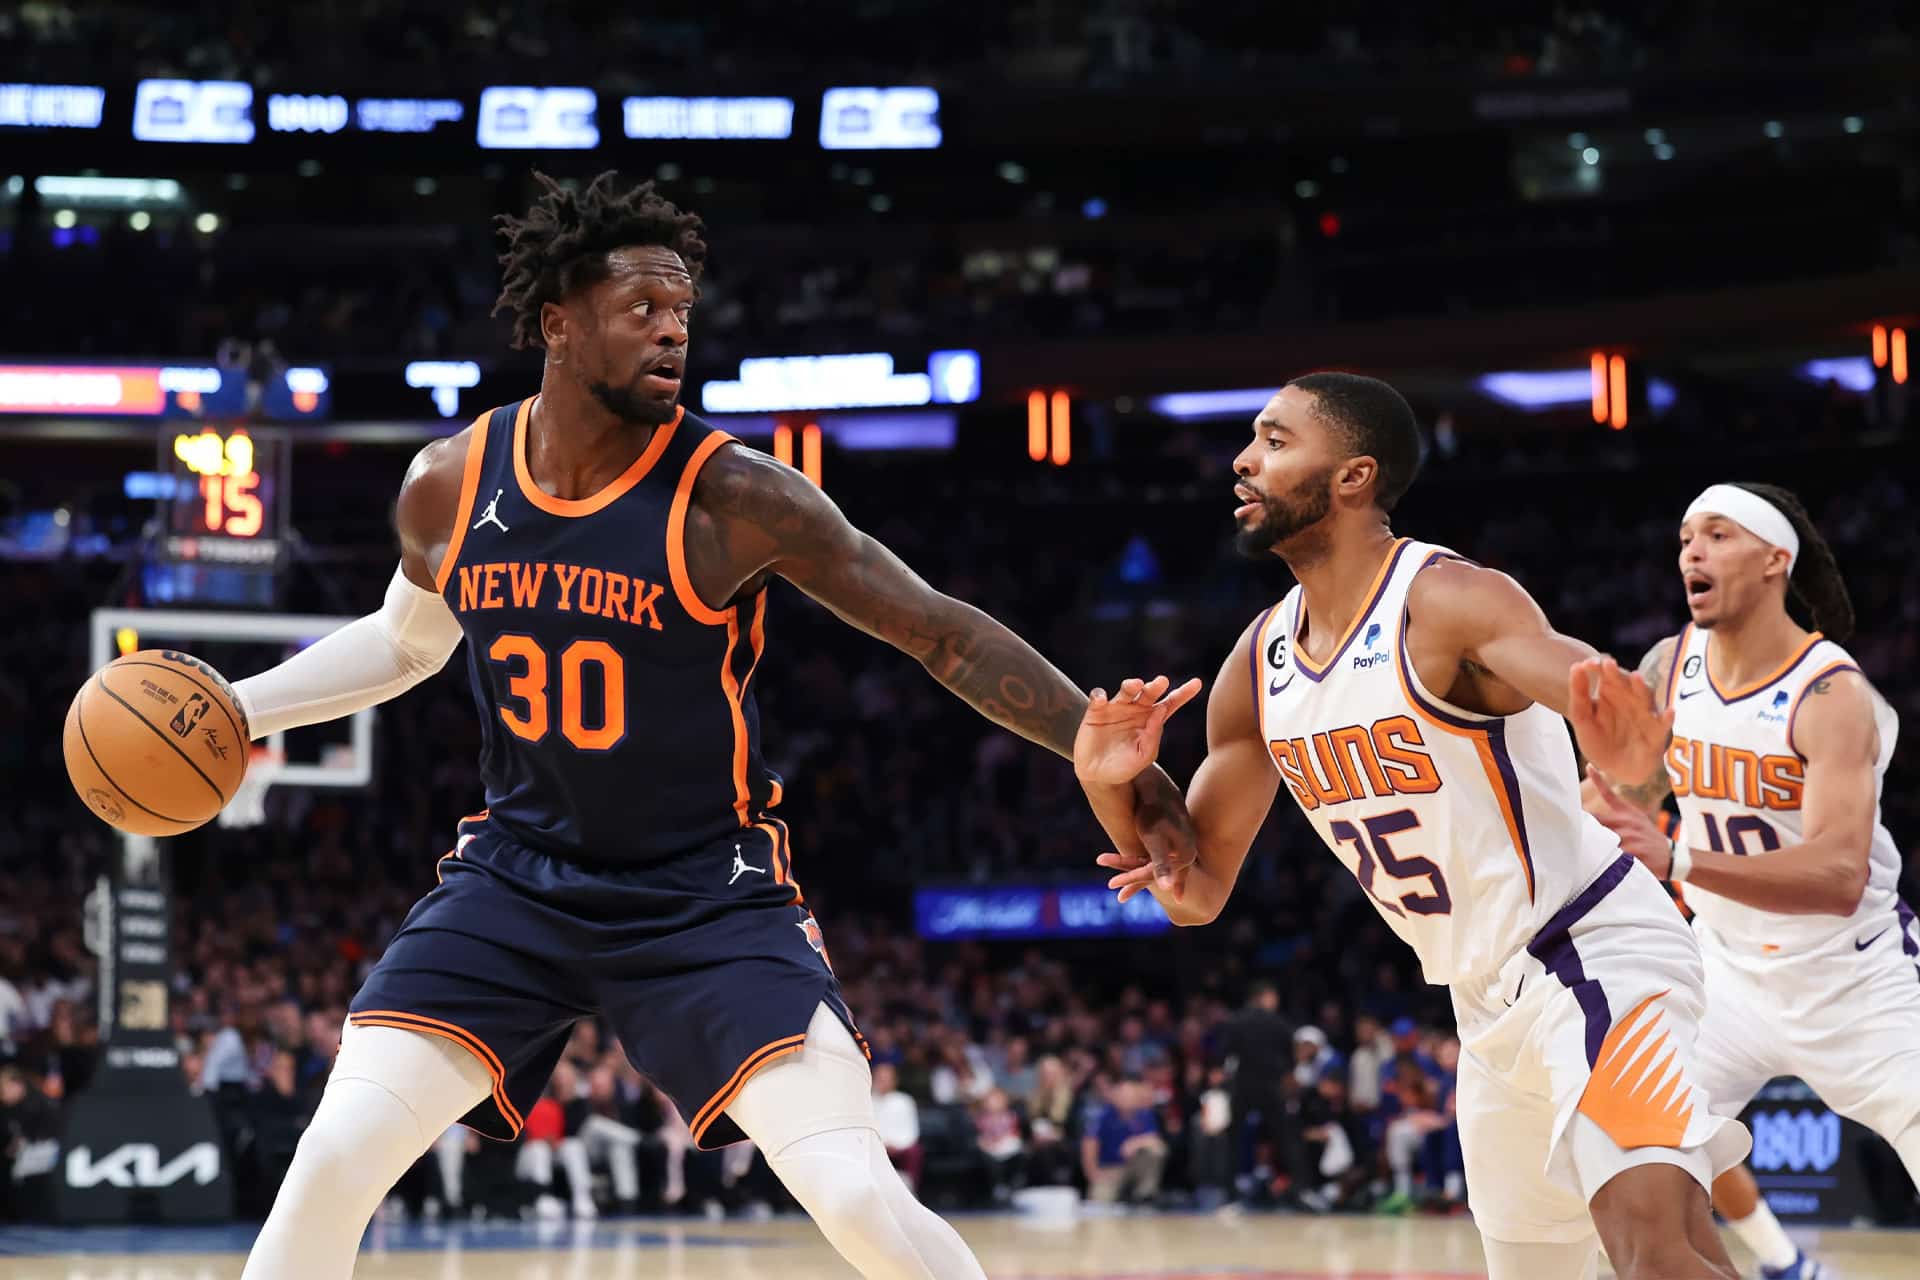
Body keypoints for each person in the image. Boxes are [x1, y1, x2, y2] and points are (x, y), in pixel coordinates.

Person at [230, 171, 1188, 1280]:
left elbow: (938, 631)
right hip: (515, 878)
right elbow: (405, 645)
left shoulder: (739, 496)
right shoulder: (451, 482)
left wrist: (1089, 740)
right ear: (559, 320)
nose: (673, 331)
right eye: (642, 308)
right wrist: (235, 703)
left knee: (856, 1194)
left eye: (683, 312)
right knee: (331, 1159)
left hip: (704, 891)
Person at [1073, 373, 1749, 1280]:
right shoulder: (1258, 663)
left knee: (1653, 1256)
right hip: (1483, 1004)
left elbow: (1578, 683)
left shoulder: (1446, 602)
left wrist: (1628, 738)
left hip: (1594, 955)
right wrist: (1106, 784)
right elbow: (1193, 894)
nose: (1242, 459)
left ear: (1354, 476)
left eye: (1275, 441)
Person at [1584, 481, 1920, 1280]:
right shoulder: (1669, 666)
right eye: (1685, 537)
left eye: (1717, 535)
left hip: (1856, 976)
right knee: (1616, 1173)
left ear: (1776, 560)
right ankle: (1773, 1265)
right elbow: (1623, 806)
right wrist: (1616, 783)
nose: (1691, 552)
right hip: (1722, 975)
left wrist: (1681, 860)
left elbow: (1839, 873)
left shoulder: (1834, 695)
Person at [1082, 1076, 1168, 1205]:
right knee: (1099, 1199)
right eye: (1122, 1094)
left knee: (1156, 1150)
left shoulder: (1144, 1114)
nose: (1126, 1098)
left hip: (1134, 1166)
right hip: (1111, 1169)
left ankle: (1145, 1194)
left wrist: (1135, 1143)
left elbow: (1155, 1141)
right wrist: (1093, 1173)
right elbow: (1089, 1143)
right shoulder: (1102, 1116)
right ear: (1114, 1095)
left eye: (1130, 1095)